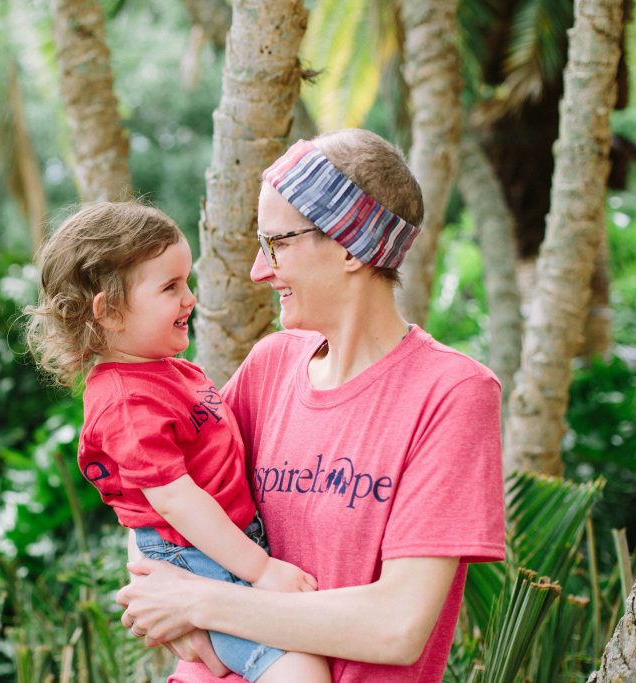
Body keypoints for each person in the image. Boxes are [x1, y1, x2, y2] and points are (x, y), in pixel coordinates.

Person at [117, 129, 506, 682]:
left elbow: (396, 626)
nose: (258, 269)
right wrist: (169, 594)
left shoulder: (451, 393)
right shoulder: (269, 366)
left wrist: (197, 602)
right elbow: (152, 487)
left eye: (276, 242)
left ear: (350, 245)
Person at [25, 201, 331, 683]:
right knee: (301, 671)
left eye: (185, 281)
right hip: (198, 557)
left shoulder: (163, 370)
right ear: (109, 312)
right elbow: (173, 499)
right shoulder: (125, 401)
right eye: (170, 287)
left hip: (216, 547)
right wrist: (261, 571)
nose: (189, 298)